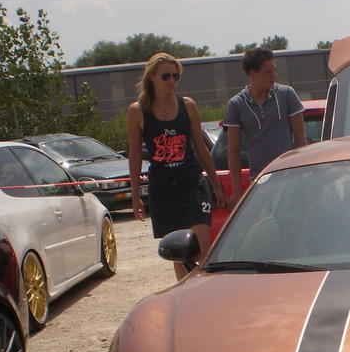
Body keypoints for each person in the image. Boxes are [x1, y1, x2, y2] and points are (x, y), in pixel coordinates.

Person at [128, 53, 225, 280]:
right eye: (166, 76)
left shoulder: (187, 105)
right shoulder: (137, 111)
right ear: (152, 77)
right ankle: (186, 293)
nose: (172, 81)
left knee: (201, 248)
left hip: (191, 182)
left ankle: (205, 289)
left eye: (176, 76)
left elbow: (201, 148)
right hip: (163, 187)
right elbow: (134, 155)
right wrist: (135, 196)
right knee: (180, 252)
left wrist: (216, 186)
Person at [223, 47, 307, 208]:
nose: (274, 75)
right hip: (260, 180)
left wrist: (300, 174)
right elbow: (233, 150)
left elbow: (300, 137)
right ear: (252, 74)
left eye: (274, 70)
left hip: (288, 176)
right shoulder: (236, 104)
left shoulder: (286, 94)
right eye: (268, 72)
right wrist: (237, 191)